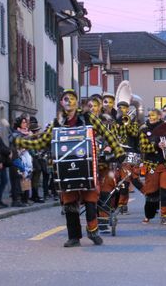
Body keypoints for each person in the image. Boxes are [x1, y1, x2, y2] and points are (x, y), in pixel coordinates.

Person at [15, 89, 125, 247]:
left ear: (76, 101)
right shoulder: (57, 122)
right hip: (66, 168)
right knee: (70, 203)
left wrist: (118, 151)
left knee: (90, 200)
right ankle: (74, 237)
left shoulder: (88, 117)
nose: (69, 101)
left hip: (87, 166)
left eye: (72, 98)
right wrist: (20, 142)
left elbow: (107, 135)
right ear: (61, 103)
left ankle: (93, 231)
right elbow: (41, 142)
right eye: (66, 99)